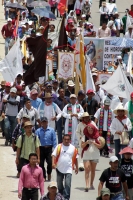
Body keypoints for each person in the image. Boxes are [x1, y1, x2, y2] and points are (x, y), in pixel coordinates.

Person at [52, 134, 78, 200]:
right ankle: (60, 196)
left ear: (70, 140)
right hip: (59, 168)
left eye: (68, 139)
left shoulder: (73, 148)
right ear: (63, 139)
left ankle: (66, 198)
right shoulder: (59, 146)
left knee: (68, 184)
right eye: (65, 139)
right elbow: (53, 155)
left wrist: (76, 168)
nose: (66, 141)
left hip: (68, 169)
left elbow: (76, 158)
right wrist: (53, 163)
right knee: (59, 184)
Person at [81, 124, 103, 191]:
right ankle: (87, 185)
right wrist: (86, 143)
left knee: (93, 170)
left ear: (93, 129)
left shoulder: (98, 137)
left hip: (95, 155)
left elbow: (100, 146)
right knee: (87, 169)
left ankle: (91, 183)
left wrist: (94, 143)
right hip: (86, 155)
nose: (90, 130)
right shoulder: (84, 136)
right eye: (88, 129)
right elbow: (82, 146)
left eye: (91, 129)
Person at [36, 117, 57, 181]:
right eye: (43, 122)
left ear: (47, 122)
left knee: (50, 162)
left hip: (49, 148)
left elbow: (54, 140)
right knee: (41, 163)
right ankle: (43, 176)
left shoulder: (51, 130)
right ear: (41, 123)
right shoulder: (38, 131)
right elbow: (36, 140)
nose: (44, 123)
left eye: (45, 122)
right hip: (41, 148)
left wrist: (55, 150)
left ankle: (49, 173)